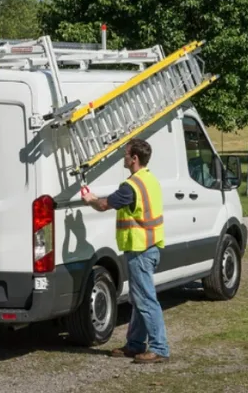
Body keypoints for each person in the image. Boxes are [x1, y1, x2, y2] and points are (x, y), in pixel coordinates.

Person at [81, 138, 170, 364]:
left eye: (126, 154)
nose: (124, 157)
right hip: (150, 247)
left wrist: (90, 199)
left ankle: (160, 348)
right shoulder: (149, 180)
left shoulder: (130, 187)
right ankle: (135, 344)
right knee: (139, 298)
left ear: (134, 159)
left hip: (140, 250)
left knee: (146, 300)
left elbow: (103, 205)